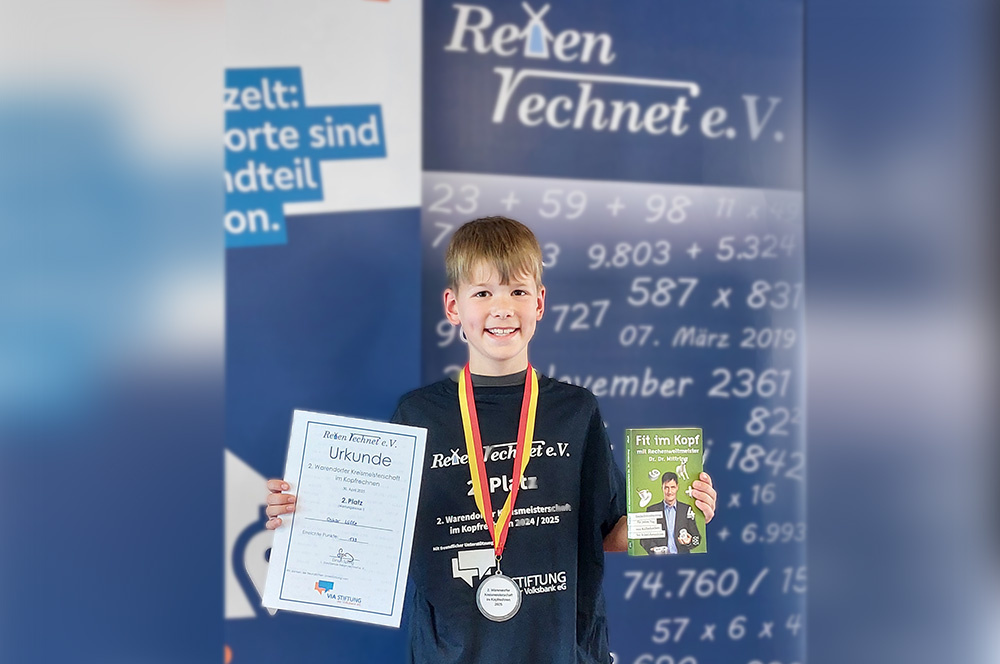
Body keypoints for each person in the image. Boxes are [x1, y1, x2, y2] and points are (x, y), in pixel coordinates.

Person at [264, 217, 717, 663]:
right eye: (482, 293)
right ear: (453, 306)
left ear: (539, 302)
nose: (502, 308)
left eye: (518, 291)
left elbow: (607, 535)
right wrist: (305, 515)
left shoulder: (576, 411)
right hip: (452, 653)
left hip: (563, 651)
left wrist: (680, 515)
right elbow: (374, 535)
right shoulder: (418, 416)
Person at [639, 471, 702, 555]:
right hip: (659, 559)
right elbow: (644, 539)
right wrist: (654, 549)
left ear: (677, 487)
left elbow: (697, 538)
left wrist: (689, 542)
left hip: (682, 559)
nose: (669, 491)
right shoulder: (652, 510)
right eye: (666, 487)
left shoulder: (686, 509)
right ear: (662, 488)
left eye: (672, 487)